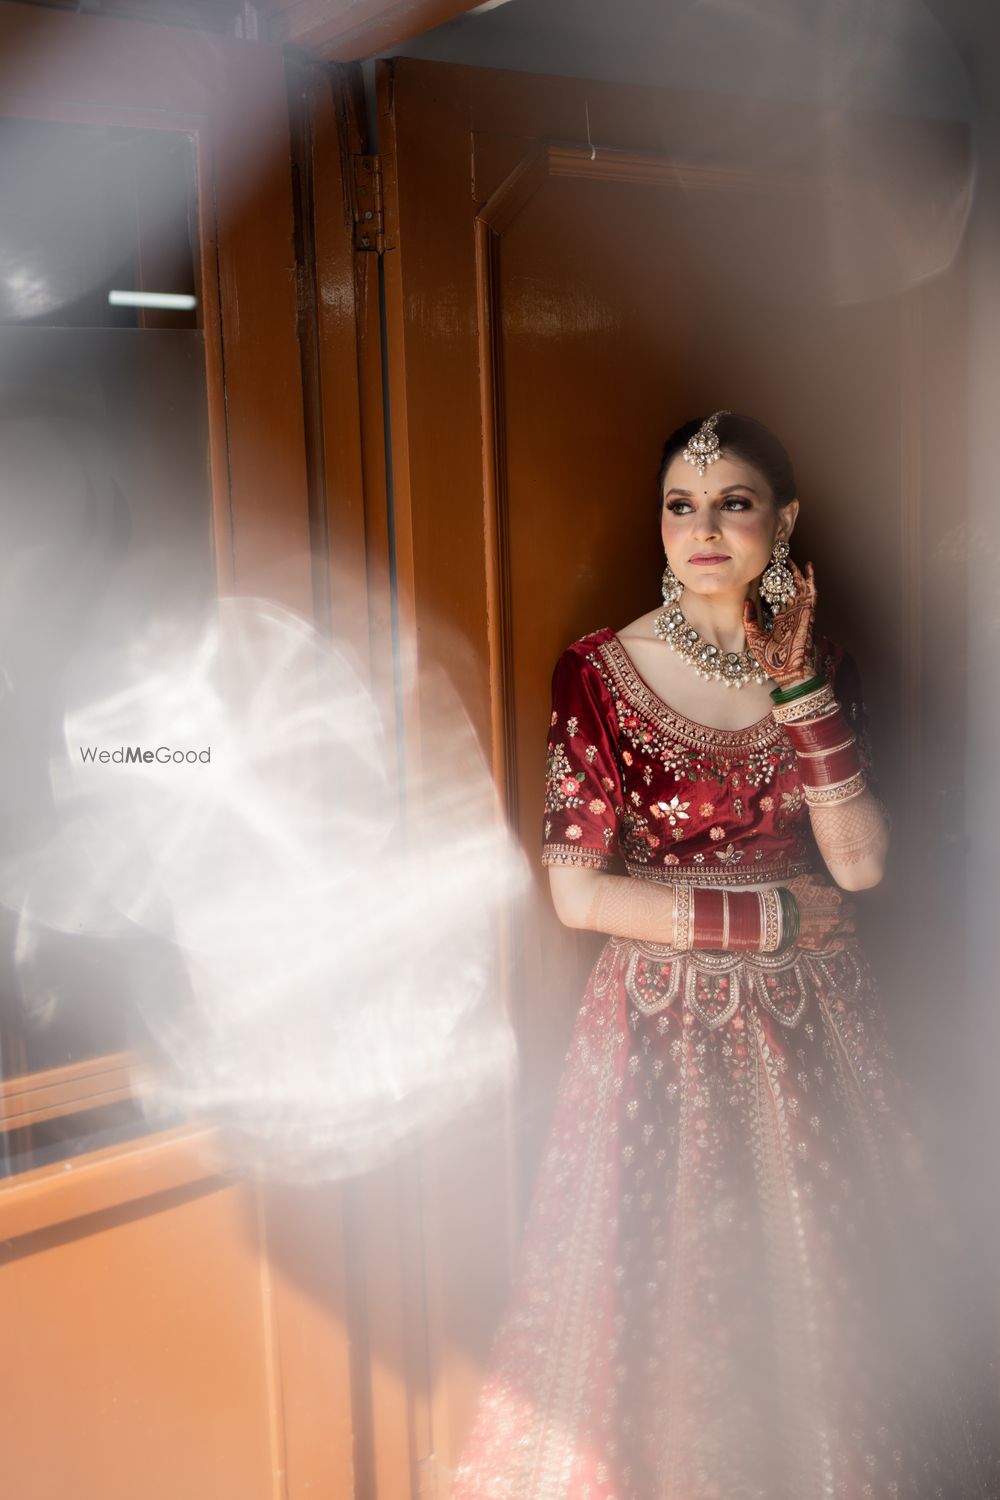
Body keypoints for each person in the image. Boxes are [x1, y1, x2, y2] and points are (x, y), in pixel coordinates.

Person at [450, 412, 998, 1499]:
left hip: (815, 1018)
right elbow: (575, 894)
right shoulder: (599, 673)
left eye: (733, 504)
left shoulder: (820, 668)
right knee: (677, 1279)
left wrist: (799, 692)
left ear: (783, 520)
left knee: (824, 1268)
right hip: (663, 1019)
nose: (702, 529)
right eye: (681, 506)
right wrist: (767, 923)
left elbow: (860, 866)